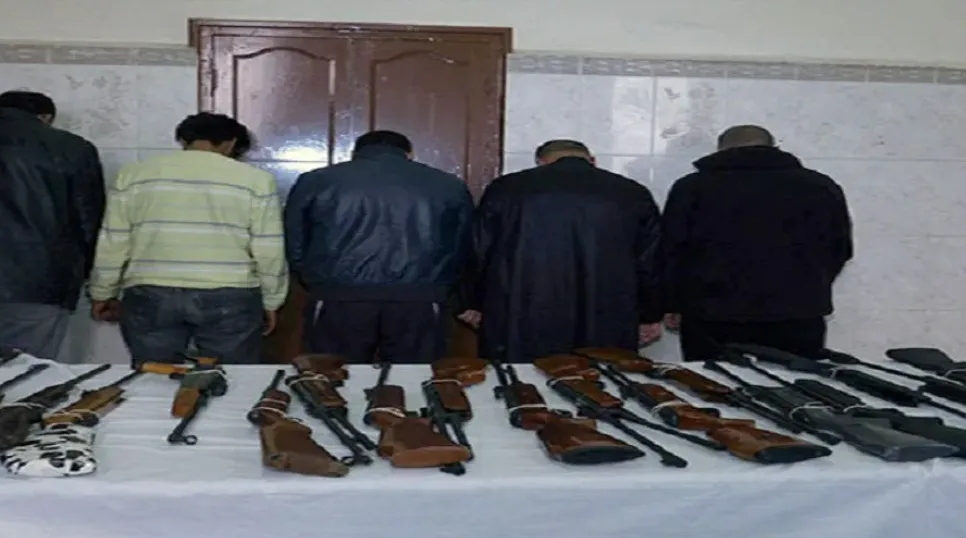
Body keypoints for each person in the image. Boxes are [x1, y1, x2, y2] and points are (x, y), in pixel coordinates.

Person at [88, 112, 288, 364]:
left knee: (153, 376)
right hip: (229, 293)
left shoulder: (134, 175)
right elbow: (269, 248)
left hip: (150, 291)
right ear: (231, 143)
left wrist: (102, 292)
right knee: (231, 377)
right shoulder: (256, 180)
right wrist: (271, 301)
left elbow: (113, 240)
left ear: (183, 140)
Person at [459, 139, 663, 361]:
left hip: (520, 312)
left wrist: (471, 302)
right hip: (607, 315)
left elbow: (478, 250)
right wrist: (650, 314)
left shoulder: (506, 188)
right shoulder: (632, 192)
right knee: (603, 376)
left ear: (541, 162)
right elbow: (651, 261)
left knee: (523, 378)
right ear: (592, 161)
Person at [662, 125, 853, 360]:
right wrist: (809, 283)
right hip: (798, 313)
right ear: (774, 147)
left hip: (712, 314)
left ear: (721, 150)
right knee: (794, 380)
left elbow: (672, 251)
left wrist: (673, 302)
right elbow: (839, 248)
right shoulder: (820, 186)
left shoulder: (692, 187)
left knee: (716, 380)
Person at [285, 130, 474, 362]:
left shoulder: (316, 181)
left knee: (335, 374)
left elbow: (294, 240)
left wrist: (314, 279)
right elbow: (463, 245)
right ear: (408, 154)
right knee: (414, 376)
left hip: (338, 295)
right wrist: (444, 286)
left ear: (356, 152)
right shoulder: (448, 185)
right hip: (421, 298)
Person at [0, 90, 105, 359]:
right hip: (39, 281)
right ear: (45, 117)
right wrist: (93, 280)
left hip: (36, 282)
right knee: (27, 371)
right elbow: (89, 220)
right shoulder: (72, 148)